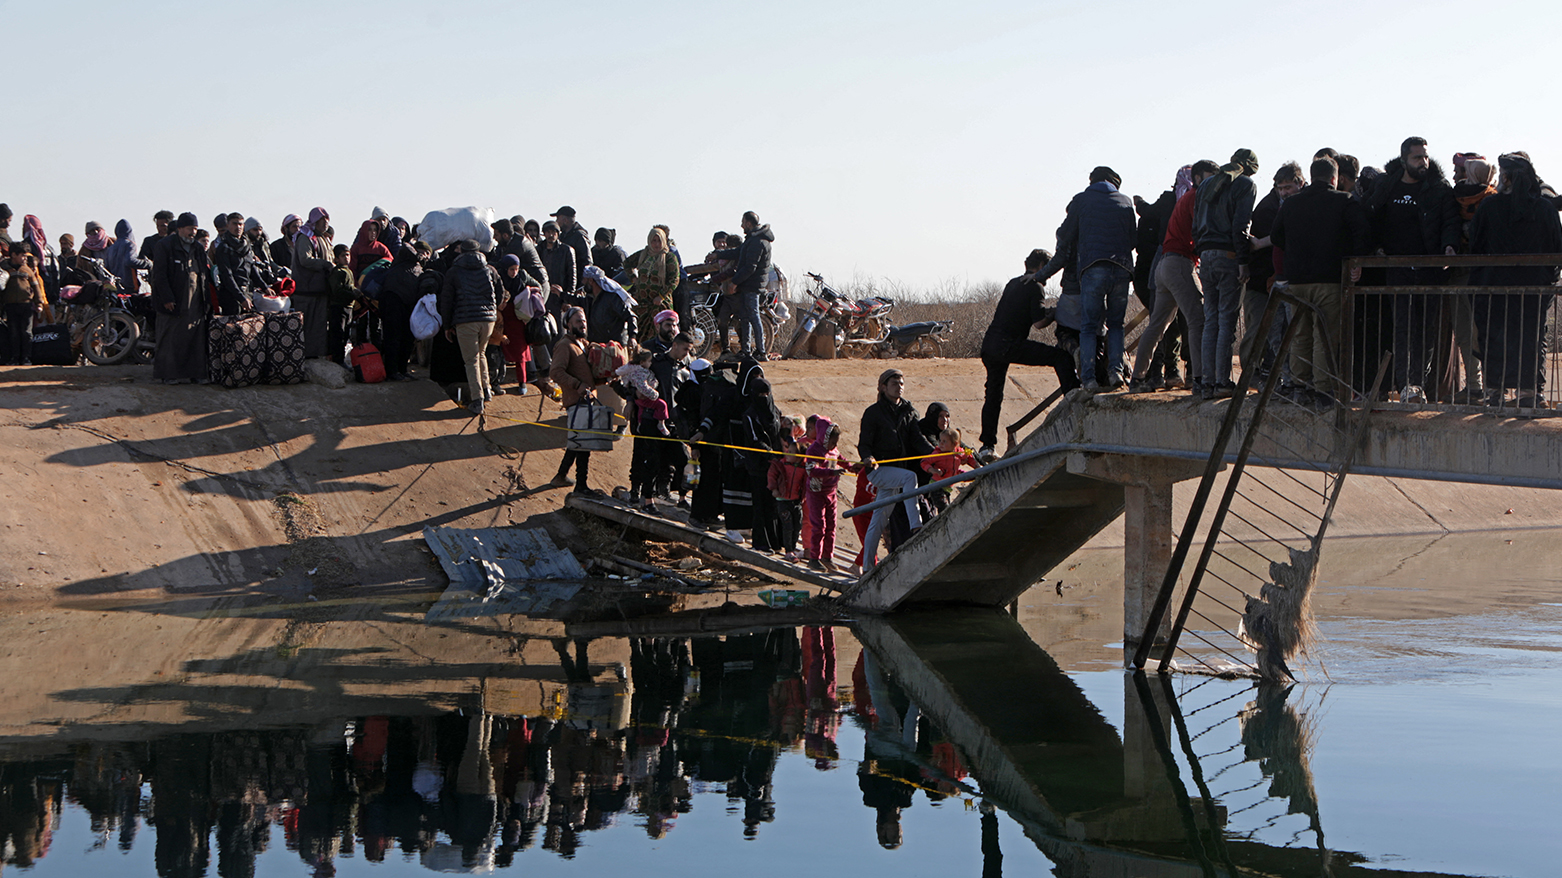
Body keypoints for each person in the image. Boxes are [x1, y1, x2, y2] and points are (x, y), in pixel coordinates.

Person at [1268, 155, 1372, 409]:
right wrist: (1353, 260)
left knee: (1300, 334)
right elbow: (1363, 234)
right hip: (1329, 280)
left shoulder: (1291, 205)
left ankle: (1299, 386)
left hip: (1297, 282)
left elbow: (1276, 236)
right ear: (1335, 178)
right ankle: (1323, 390)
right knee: (1325, 334)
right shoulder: (1344, 201)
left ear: (1311, 177)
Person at [1365, 136, 1460, 403]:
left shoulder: (1439, 187)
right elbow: (1370, 216)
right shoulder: (1387, 185)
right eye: (1418, 157)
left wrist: (1449, 246)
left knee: (1426, 332)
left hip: (1430, 269)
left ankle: (1419, 384)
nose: (1424, 162)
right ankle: (1407, 385)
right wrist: (1375, 247)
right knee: (1403, 329)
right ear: (1405, 159)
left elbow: (1450, 221)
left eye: (1426, 156)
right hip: (1397, 269)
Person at [1470, 152, 1562, 409]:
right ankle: (1527, 394)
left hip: (1494, 287)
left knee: (1494, 337)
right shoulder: (1544, 208)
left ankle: (1494, 392)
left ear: (1508, 178)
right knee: (1530, 339)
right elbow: (1557, 247)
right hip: (1533, 289)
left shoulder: (1489, 207)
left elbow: (1476, 246)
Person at [1037, 167, 1136, 390]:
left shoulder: (1082, 200)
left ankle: (1089, 378)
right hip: (1122, 269)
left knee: (1089, 327)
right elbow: (1132, 239)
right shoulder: (1126, 201)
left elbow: (1065, 235)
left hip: (1093, 269)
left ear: (1092, 181)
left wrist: (1040, 276)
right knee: (1116, 325)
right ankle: (1116, 373)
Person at [977, 248, 1078, 462]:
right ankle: (1075, 398)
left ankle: (987, 446)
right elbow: (1039, 322)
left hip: (990, 345)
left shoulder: (1013, 283)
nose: (1049, 277)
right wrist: (1057, 311)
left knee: (993, 394)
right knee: (1060, 357)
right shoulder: (1036, 287)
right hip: (1009, 344)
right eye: (1049, 271)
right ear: (1042, 267)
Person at [1141, 159, 1219, 396]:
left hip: (1164, 265)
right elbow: (1199, 231)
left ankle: (1138, 378)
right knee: (1198, 320)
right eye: (1210, 176)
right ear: (1197, 178)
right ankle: (1199, 379)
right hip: (1181, 263)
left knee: (1157, 325)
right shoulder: (1197, 198)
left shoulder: (1182, 197)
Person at [1192, 148, 1261, 398]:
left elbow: (1194, 226)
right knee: (1226, 321)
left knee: (1210, 320)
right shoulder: (1245, 185)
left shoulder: (1207, 184)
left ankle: (1206, 383)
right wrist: (1243, 260)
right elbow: (1240, 227)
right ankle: (1223, 382)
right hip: (1229, 256)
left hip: (1206, 257)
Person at [857, 369, 931, 572]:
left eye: (902, 383)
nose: (899, 386)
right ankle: (916, 525)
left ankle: (867, 568)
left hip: (897, 472)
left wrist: (935, 454)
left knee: (878, 520)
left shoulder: (909, 411)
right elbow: (864, 444)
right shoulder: (873, 412)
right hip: (879, 471)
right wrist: (868, 458)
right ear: (883, 387)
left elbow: (917, 439)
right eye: (894, 383)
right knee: (911, 477)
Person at [1242, 161, 1307, 376]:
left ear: (1301, 183)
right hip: (1268, 280)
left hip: (1290, 278)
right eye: (1281, 188)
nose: (1285, 192)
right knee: (1271, 332)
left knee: (1293, 332)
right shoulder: (1271, 207)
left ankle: (1291, 379)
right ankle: (1271, 377)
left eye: (1288, 187)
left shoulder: (1300, 204)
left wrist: (1261, 243)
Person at [440, 239, 504, 414]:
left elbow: (446, 300)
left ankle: (477, 399)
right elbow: (500, 292)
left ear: (461, 251)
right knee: (481, 354)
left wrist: (447, 324)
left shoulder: (454, 271)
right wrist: (492, 310)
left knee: (471, 360)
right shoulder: (489, 269)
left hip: (466, 319)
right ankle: (487, 389)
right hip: (488, 320)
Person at [150, 213, 211, 383]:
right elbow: (160, 275)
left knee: (195, 336)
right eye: (190, 229)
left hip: (195, 300)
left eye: (195, 229)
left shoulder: (198, 248)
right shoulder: (165, 246)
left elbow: (204, 275)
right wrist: (167, 298)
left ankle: (196, 375)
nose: (193, 232)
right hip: (173, 300)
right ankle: (169, 375)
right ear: (179, 229)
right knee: (171, 336)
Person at [550, 306, 602, 495]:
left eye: (584, 321)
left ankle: (561, 476)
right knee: (583, 445)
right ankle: (581, 486)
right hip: (577, 401)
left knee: (578, 443)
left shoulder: (583, 344)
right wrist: (577, 385)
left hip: (588, 401)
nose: (582, 324)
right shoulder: (564, 345)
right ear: (568, 324)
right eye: (578, 321)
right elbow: (555, 372)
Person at [712, 212, 774, 359]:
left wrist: (734, 282)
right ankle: (746, 351)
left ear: (748, 223)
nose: (741, 225)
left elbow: (749, 267)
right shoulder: (753, 240)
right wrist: (719, 255)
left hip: (752, 286)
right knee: (745, 318)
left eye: (743, 222)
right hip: (748, 285)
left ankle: (761, 351)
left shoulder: (757, 242)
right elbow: (738, 252)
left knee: (753, 317)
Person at [291, 207, 334, 359]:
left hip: (320, 291)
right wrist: (325, 264)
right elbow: (305, 260)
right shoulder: (306, 237)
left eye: (327, 220)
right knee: (307, 328)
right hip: (306, 291)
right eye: (322, 220)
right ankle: (305, 359)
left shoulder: (324, 239)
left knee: (320, 327)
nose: (325, 223)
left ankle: (318, 357)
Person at [803, 418, 845, 570]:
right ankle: (814, 557)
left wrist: (855, 467)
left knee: (831, 525)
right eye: (831, 442)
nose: (833, 446)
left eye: (835, 442)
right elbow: (811, 470)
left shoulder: (834, 451)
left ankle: (828, 556)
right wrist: (831, 472)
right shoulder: (813, 450)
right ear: (823, 437)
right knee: (819, 526)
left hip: (831, 492)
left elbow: (844, 461)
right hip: (816, 493)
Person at [378, 245, 423, 381]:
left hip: (391, 308)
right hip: (407, 309)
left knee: (392, 339)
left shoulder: (393, 269)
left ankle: (394, 371)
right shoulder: (416, 269)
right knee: (405, 340)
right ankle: (400, 370)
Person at [628, 227, 681, 342]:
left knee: (660, 333)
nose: (656, 244)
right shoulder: (643, 255)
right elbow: (627, 263)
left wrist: (661, 296)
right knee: (640, 335)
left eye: (659, 240)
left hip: (659, 304)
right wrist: (634, 279)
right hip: (642, 304)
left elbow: (674, 280)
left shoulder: (669, 258)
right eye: (654, 240)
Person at [2, 243, 46, 364]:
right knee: (13, 333)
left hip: (26, 306)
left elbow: (36, 287)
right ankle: (14, 358)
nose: (25, 259)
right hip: (10, 306)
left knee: (26, 333)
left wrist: (39, 303)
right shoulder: (4, 269)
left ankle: (26, 357)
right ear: (13, 255)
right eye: (22, 256)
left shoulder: (27, 270)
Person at [768, 433, 808, 560]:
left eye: (792, 452)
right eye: (788, 451)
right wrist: (773, 489)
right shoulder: (780, 465)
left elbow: (806, 482)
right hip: (782, 500)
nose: (788, 453)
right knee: (788, 525)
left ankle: (793, 547)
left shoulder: (803, 468)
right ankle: (788, 551)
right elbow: (772, 475)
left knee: (797, 526)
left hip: (796, 501)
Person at [921, 428, 977, 514]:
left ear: (954, 444)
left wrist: (976, 466)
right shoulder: (938, 453)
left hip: (948, 487)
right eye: (940, 440)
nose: (941, 443)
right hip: (936, 485)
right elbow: (924, 462)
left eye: (945, 441)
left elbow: (968, 457)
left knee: (947, 509)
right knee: (945, 508)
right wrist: (932, 470)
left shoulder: (959, 452)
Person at [582, 265, 635, 348]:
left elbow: (630, 316)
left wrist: (632, 336)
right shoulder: (590, 299)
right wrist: (561, 294)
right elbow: (576, 300)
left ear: (591, 281)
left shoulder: (612, 299)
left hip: (614, 347)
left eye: (585, 279)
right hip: (597, 346)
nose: (583, 282)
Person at [492, 219, 549, 291]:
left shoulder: (519, 244)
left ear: (505, 235)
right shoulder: (505, 244)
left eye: (496, 235)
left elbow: (502, 263)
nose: (494, 237)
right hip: (528, 282)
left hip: (538, 282)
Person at [550, 206, 592, 291]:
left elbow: (587, 262)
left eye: (558, 219)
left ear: (565, 220)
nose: (556, 222)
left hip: (576, 286)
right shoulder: (562, 236)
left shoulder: (579, 236)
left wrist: (581, 286)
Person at [539, 221, 577, 313]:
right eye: (548, 232)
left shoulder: (566, 250)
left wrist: (567, 299)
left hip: (559, 298)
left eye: (553, 232)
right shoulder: (539, 250)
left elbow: (572, 276)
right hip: (542, 296)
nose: (551, 235)